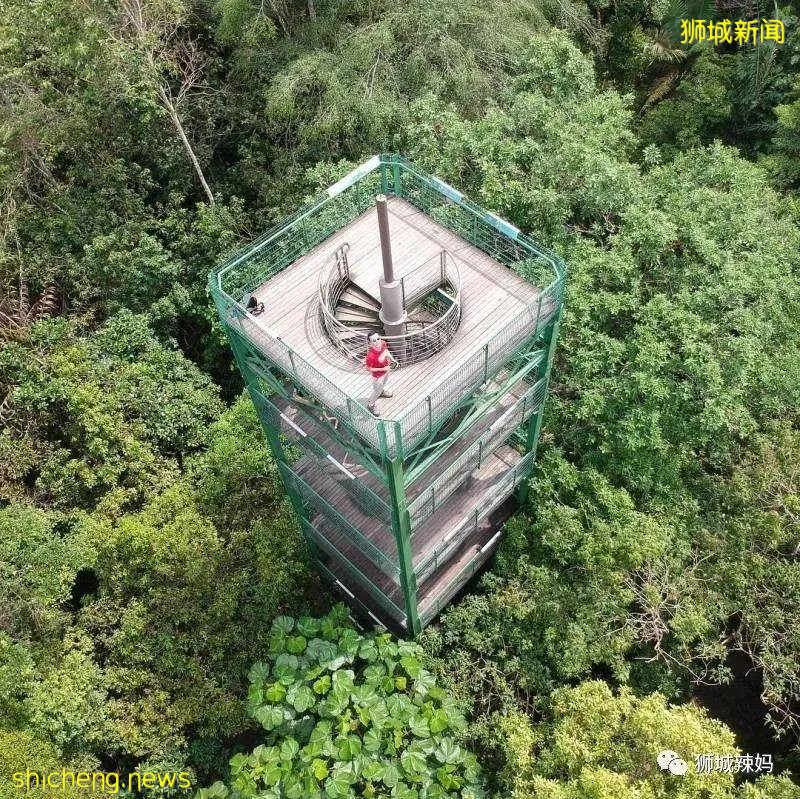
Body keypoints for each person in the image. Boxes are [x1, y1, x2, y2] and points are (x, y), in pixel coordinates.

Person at [365, 332, 396, 414]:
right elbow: (368, 369)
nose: (377, 342)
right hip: (378, 376)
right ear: (370, 343)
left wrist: (391, 359)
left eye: (378, 339)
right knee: (376, 392)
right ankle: (371, 405)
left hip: (386, 371)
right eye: (374, 341)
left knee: (383, 384)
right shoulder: (370, 356)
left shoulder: (383, 343)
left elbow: (386, 351)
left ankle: (381, 392)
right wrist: (383, 369)